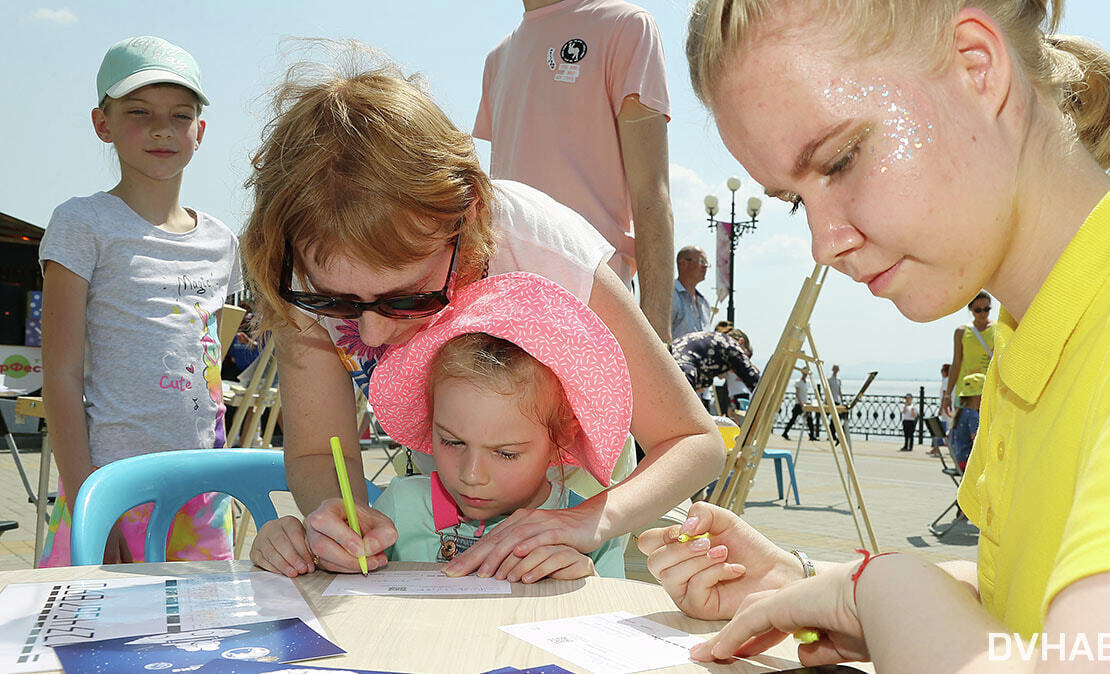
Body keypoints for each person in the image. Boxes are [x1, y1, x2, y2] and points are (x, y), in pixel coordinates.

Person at [640, 0, 1110, 670]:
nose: (824, 244)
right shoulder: (1040, 338)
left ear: (976, 67)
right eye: (794, 199)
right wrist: (808, 586)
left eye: (841, 160)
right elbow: (1021, 609)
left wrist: (879, 589)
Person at [240, 42, 723, 579]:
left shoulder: (542, 249)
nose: (371, 334)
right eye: (339, 302)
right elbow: (318, 454)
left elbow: (692, 442)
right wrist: (343, 522)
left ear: (467, 218)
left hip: (581, 511)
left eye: (409, 295)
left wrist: (585, 520)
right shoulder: (300, 262)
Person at [253, 273, 626, 580]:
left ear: (560, 437)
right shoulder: (400, 507)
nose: (472, 475)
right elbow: (335, 582)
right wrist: (292, 549)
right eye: (452, 442)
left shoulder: (590, 533)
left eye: (506, 453)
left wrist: (584, 587)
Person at [38, 36, 241, 566]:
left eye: (180, 114)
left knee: (201, 635)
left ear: (200, 130)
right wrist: (89, 501)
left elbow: (208, 367)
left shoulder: (222, 240)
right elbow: (60, 374)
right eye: (138, 111)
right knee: (92, 637)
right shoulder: (81, 224)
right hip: (110, 487)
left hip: (201, 494)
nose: (161, 128)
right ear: (102, 123)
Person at [474, 0, 675, 342]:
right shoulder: (498, 59)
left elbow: (651, 195)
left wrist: (657, 338)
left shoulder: (627, 25)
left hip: (593, 306)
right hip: (508, 314)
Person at [942, 291, 1010, 417]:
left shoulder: (999, 329)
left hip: (991, 390)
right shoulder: (961, 332)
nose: (983, 313)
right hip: (966, 393)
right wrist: (947, 395)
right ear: (971, 310)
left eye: (986, 309)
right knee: (964, 433)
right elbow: (956, 363)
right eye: (978, 310)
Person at [669, 328, 759, 395]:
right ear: (741, 342)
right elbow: (753, 380)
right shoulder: (731, 344)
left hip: (668, 364)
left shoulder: (714, 340)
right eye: (747, 356)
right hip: (684, 370)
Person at [672, 245, 713, 338]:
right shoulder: (670, 297)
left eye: (706, 262)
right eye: (701, 261)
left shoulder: (704, 303)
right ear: (683, 264)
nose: (705, 266)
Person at [949, 373, 985, 472]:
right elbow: (977, 443)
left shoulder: (959, 413)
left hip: (958, 461)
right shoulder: (973, 416)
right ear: (978, 396)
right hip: (967, 464)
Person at [779, 368, 816, 442]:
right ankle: (785, 432)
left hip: (805, 403)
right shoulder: (798, 382)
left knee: (809, 419)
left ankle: (812, 435)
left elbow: (805, 394)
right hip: (799, 404)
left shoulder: (807, 382)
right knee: (793, 419)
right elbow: (797, 393)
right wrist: (800, 403)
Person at [928, 362, 951, 457]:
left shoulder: (946, 381)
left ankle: (936, 448)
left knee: (942, 428)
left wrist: (942, 408)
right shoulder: (948, 380)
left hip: (947, 408)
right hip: (949, 407)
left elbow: (945, 395)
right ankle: (947, 447)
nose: (941, 372)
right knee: (949, 428)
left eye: (942, 370)